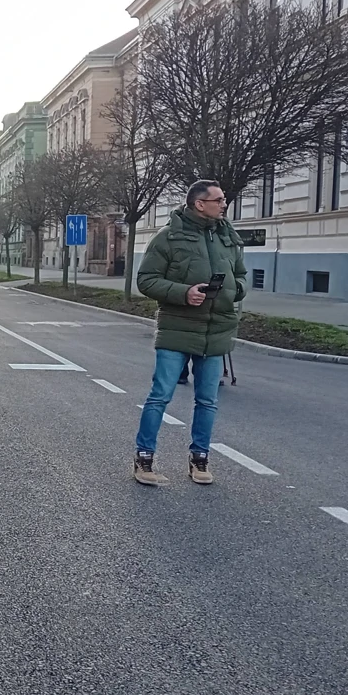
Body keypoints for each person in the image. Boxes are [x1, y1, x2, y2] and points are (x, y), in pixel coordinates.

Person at [133, 180, 247, 487]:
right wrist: (184, 293)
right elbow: (146, 280)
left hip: (216, 330)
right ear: (200, 204)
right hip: (177, 329)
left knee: (208, 400)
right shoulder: (168, 237)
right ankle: (144, 459)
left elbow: (240, 275)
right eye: (218, 200)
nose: (224, 204)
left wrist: (233, 290)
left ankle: (199, 459)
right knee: (160, 396)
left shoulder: (226, 235)